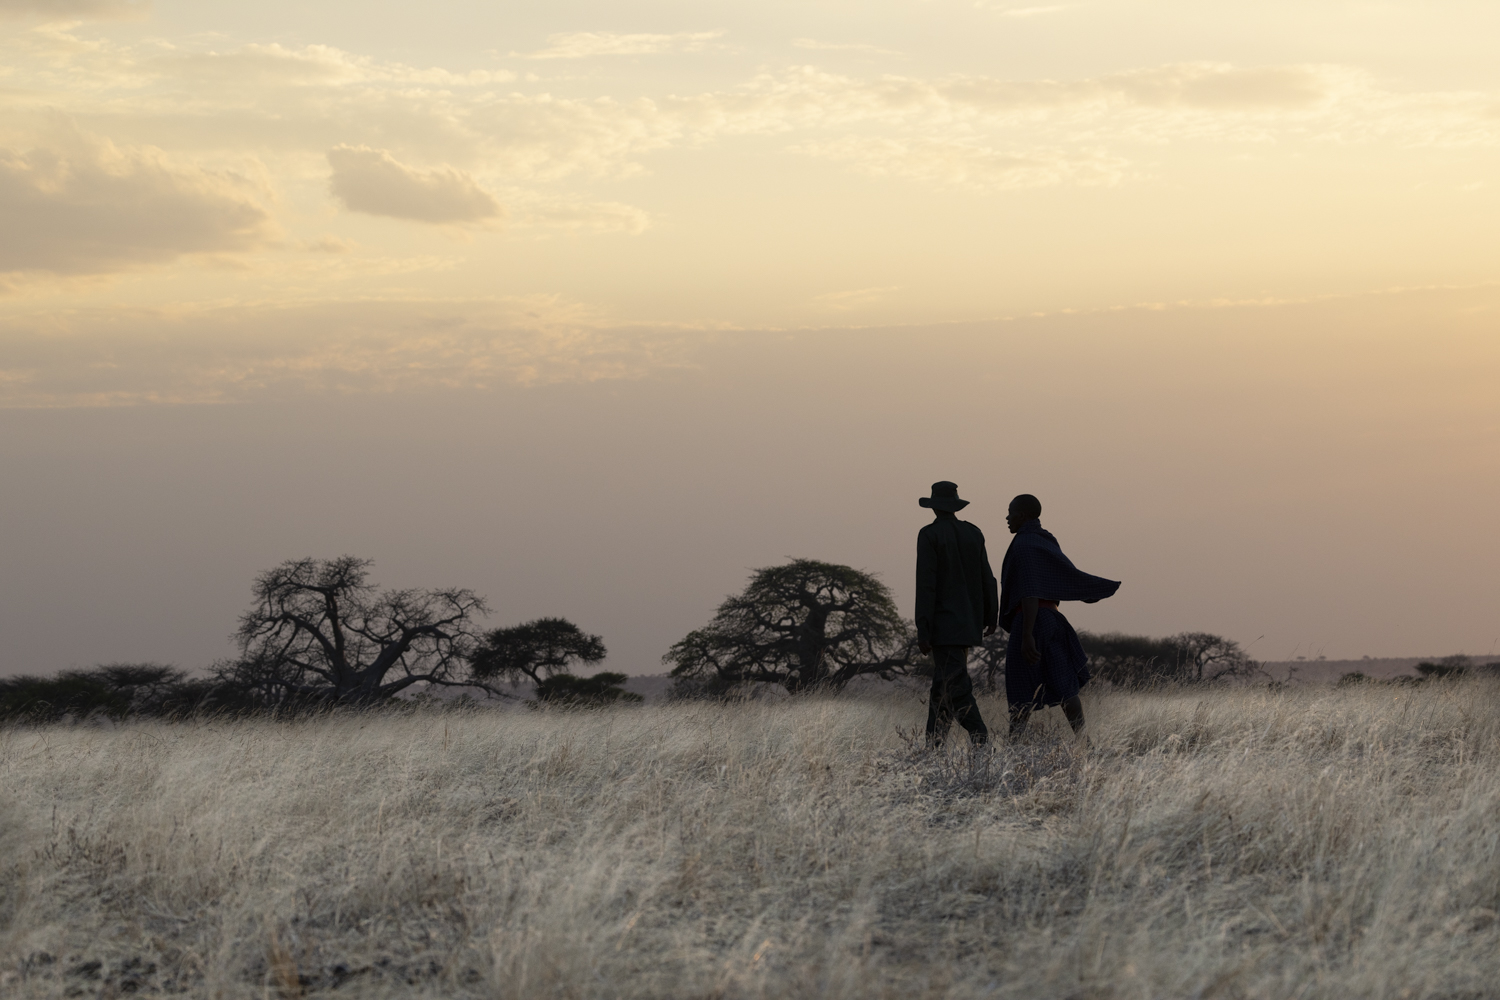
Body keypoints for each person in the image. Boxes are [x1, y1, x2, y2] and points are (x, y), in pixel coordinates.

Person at [1000, 494, 1120, 739]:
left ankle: (1014, 747)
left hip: (1031, 620)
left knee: (1021, 688)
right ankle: (1083, 742)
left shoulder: (1024, 545)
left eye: (1010, 512)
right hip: (1054, 620)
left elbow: (1030, 591)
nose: (1007, 518)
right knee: (1066, 687)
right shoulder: (1046, 540)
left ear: (1022, 515)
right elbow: (1063, 574)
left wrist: (1027, 636)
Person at [915, 481, 998, 746]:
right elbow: (988, 579)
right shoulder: (974, 533)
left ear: (934, 506)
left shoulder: (929, 535)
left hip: (944, 627)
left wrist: (924, 628)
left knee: (955, 689)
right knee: (942, 689)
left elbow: (926, 585)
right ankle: (933, 750)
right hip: (969, 625)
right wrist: (990, 616)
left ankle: (980, 737)